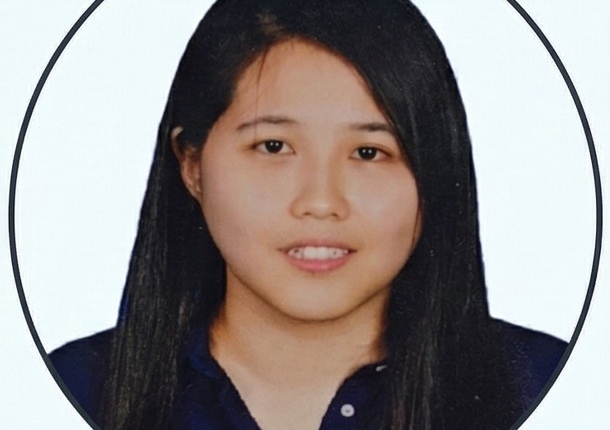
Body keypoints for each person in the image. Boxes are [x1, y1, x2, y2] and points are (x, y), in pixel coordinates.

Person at [49, 0, 567, 429]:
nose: (320, 201)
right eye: (273, 146)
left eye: (369, 153)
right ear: (192, 166)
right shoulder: (69, 389)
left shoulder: (552, 386)